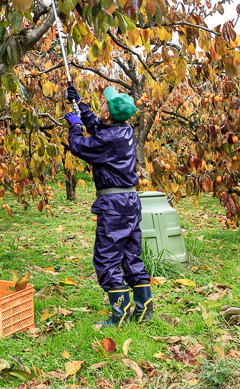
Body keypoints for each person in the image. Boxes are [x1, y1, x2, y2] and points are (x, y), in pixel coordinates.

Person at [64, 84, 152, 328]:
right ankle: (144, 311)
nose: (101, 105)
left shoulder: (109, 140)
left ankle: (119, 315)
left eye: (103, 104)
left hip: (114, 205)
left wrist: (74, 127)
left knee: (107, 257)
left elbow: (81, 146)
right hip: (130, 201)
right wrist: (80, 105)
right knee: (131, 254)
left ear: (107, 114)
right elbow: (98, 127)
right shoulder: (122, 131)